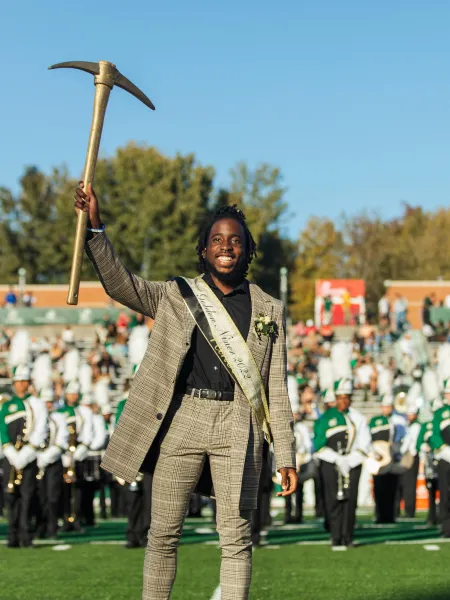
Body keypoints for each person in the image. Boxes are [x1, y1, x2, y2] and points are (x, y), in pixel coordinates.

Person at [75, 183, 297, 600]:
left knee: (236, 537)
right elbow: (122, 285)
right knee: (163, 534)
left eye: (235, 240)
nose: (226, 246)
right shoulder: (176, 296)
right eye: (217, 239)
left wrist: (286, 455)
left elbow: (276, 389)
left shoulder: (270, 309)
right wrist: (96, 228)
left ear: (248, 251)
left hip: (239, 426)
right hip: (181, 420)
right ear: (203, 250)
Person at [314, 377, 370, 548]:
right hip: (331, 464)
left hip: (353, 463)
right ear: (335, 398)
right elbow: (318, 444)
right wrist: (337, 459)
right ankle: (335, 535)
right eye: (340, 397)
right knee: (333, 500)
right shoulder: (325, 418)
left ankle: (348, 536)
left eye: (347, 397)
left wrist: (350, 460)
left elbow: (364, 443)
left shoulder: (358, 418)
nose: (344, 401)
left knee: (350, 500)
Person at [1, 364, 48, 547]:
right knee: (11, 497)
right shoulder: (7, 405)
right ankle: (12, 536)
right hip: (10, 457)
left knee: (28, 497)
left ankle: (26, 536)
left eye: (24, 381)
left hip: (29, 456)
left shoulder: (37, 404)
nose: (20, 385)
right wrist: (11, 453)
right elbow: (2, 430)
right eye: (18, 381)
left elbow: (41, 430)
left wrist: (26, 453)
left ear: (29, 383)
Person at [58, 381, 94, 531]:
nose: (72, 396)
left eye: (74, 394)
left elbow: (88, 434)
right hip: (63, 453)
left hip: (78, 454)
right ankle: (65, 517)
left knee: (78, 488)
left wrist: (80, 451)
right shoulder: (60, 411)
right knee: (64, 489)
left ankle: (77, 517)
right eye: (70, 393)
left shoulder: (84, 412)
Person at [35, 387, 69, 539]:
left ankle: (52, 527)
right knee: (39, 496)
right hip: (36, 461)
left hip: (53, 462)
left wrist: (46, 457)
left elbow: (62, 441)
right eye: (45, 402)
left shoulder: (59, 417)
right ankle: (39, 526)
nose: (48, 405)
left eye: (50, 402)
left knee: (52, 496)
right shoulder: (36, 417)